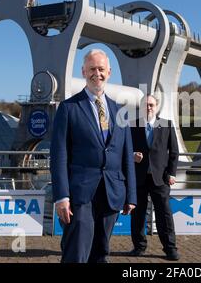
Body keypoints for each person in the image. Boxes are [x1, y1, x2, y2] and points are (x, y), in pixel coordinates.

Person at [50, 49, 137, 263]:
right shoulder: (68, 108)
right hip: (80, 194)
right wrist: (61, 196)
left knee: (101, 253)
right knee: (76, 254)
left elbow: (126, 155)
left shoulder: (120, 111)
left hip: (112, 193)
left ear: (109, 72)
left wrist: (131, 195)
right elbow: (59, 155)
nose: (96, 73)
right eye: (91, 69)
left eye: (100, 69)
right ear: (83, 72)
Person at [129, 94, 180, 261]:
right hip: (138, 178)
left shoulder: (166, 125)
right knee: (137, 214)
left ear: (156, 107)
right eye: (145, 105)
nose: (148, 108)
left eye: (151, 105)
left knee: (164, 215)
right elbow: (124, 149)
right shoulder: (132, 125)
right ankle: (139, 247)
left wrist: (171, 173)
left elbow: (174, 152)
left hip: (160, 178)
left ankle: (170, 249)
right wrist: (131, 155)